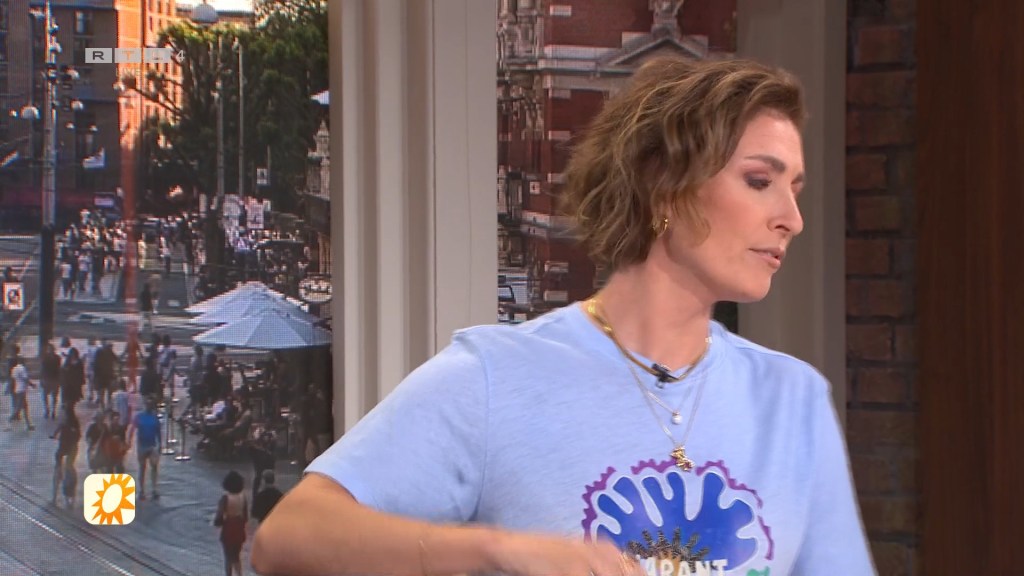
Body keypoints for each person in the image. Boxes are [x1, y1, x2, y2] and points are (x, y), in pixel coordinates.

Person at [253, 57, 877, 575]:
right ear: (664, 184)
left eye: (795, 190)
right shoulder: (496, 377)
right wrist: (495, 551)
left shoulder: (794, 401)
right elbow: (288, 538)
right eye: (760, 181)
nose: (792, 220)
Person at [215, 470, 249, 576]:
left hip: (228, 527)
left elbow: (219, 515)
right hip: (239, 526)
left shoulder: (225, 498)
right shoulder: (243, 497)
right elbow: (246, 516)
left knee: (228, 556)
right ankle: (239, 574)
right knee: (236, 556)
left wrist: (217, 522)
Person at [128, 397, 161, 500]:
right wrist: (129, 440)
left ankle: (154, 489)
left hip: (152, 445)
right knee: (142, 468)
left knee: (154, 466)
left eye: (150, 405)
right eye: (147, 405)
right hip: (142, 446)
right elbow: (132, 428)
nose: (148, 407)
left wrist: (160, 444)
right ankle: (142, 490)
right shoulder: (139, 417)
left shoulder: (154, 417)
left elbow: (158, 431)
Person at [50, 405, 81, 506]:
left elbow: (76, 436)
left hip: (68, 448)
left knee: (64, 470)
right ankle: (61, 496)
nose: (60, 415)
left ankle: (60, 496)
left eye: (62, 412)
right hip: (67, 449)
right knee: (65, 469)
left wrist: (55, 435)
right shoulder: (70, 423)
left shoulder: (69, 423)